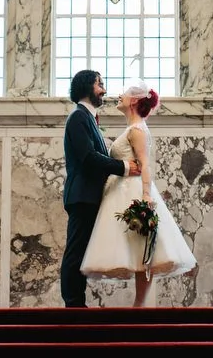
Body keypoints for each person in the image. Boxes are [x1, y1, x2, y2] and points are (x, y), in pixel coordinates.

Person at [80, 81, 197, 306]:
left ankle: (139, 305)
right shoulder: (132, 128)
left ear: (133, 100)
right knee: (135, 246)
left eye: (124, 94)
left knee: (143, 247)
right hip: (121, 189)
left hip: (132, 190)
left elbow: (145, 164)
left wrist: (145, 195)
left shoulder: (137, 130)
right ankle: (139, 305)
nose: (119, 96)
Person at [61, 69, 139, 308]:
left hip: (89, 196)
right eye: (100, 84)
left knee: (81, 250)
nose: (104, 90)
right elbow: (88, 157)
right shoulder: (78, 117)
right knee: (76, 251)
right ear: (87, 87)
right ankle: (73, 305)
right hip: (82, 196)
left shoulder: (88, 118)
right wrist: (124, 167)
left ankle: (77, 302)